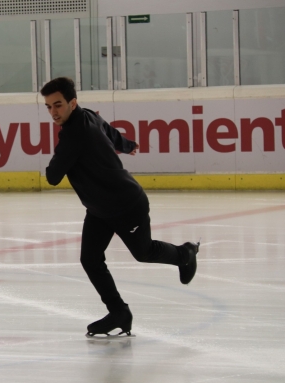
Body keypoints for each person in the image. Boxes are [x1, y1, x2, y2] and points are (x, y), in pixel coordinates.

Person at [41, 77, 199, 337]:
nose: (53, 112)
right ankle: (119, 312)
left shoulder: (73, 134)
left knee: (144, 252)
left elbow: (53, 176)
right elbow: (109, 131)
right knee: (90, 258)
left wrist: (62, 156)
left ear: (72, 103)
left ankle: (185, 254)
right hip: (100, 208)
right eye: (48, 107)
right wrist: (126, 145)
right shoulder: (87, 116)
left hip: (126, 205)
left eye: (57, 105)